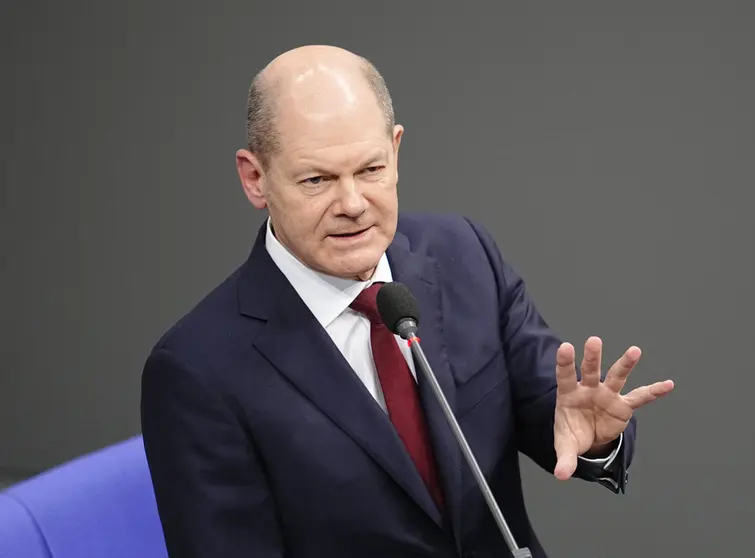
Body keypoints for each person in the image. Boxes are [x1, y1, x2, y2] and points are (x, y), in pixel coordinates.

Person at [140, 44, 675, 558]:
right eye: (316, 179)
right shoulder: (197, 371)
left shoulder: (465, 257)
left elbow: (558, 417)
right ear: (255, 179)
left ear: (395, 151)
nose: (352, 204)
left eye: (370, 170)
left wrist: (596, 443)